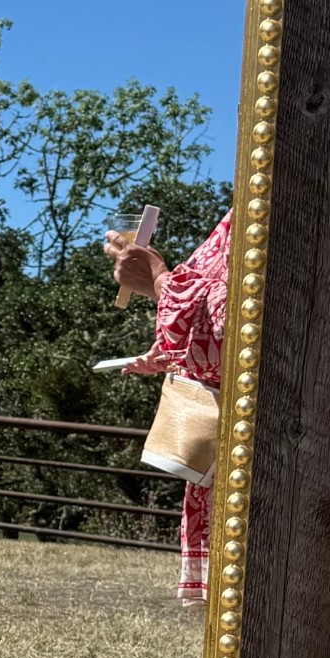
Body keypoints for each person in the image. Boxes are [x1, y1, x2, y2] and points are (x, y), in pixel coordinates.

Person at [106, 210, 233, 604]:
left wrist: (159, 280)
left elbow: (234, 326)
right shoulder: (253, 201)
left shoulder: (280, 198)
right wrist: (168, 352)